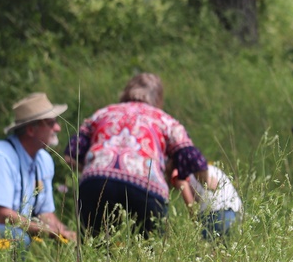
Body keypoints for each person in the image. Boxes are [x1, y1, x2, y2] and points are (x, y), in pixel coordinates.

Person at [66, 73, 208, 237]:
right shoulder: (166, 120)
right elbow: (195, 162)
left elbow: (70, 155)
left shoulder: (102, 113)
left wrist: (96, 168)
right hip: (146, 186)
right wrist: (205, 186)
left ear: (126, 92)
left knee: (96, 244)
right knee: (149, 250)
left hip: (96, 181)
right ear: (158, 97)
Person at [0, 93, 77, 250]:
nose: (57, 128)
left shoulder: (44, 160)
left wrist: (66, 233)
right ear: (31, 129)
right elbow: (0, 215)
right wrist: (48, 232)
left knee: (19, 237)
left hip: (4, 230)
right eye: (51, 123)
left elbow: (45, 213)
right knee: (18, 239)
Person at [173, 163, 242, 240]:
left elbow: (191, 207)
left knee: (212, 248)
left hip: (214, 215)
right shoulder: (210, 168)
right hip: (235, 211)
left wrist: (195, 229)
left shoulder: (181, 176)